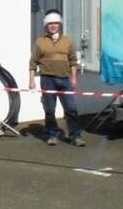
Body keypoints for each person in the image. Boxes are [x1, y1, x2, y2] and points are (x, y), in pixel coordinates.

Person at [29, 10, 86, 147]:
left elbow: (73, 61)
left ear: (59, 24)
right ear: (46, 25)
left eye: (55, 23)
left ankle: (76, 136)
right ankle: (52, 135)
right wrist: (31, 80)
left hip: (65, 79)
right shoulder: (40, 42)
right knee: (49, 110)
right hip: (48, 80)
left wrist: (73, 78)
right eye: (50, 24)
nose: (53, 26)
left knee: (71, 109)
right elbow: (33, 63)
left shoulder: (67, 41)